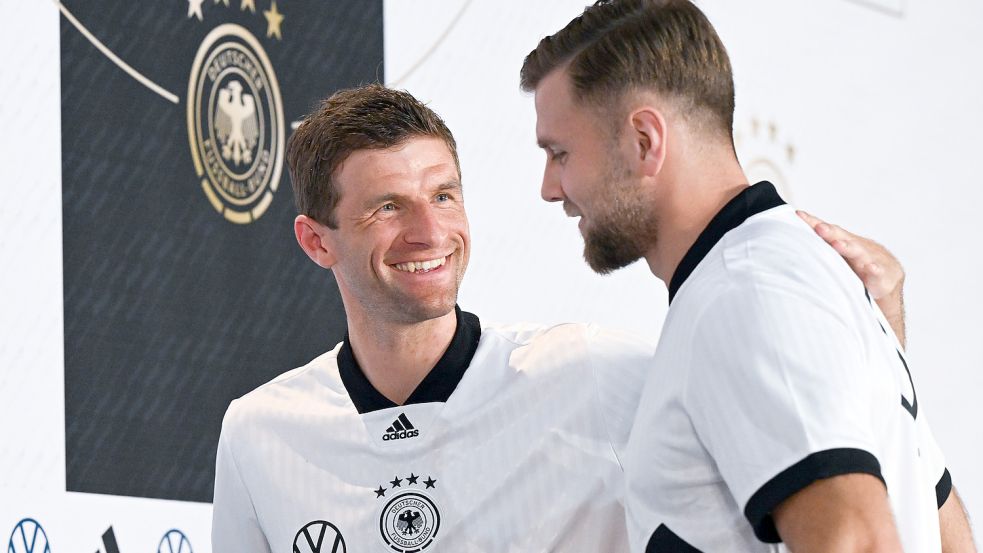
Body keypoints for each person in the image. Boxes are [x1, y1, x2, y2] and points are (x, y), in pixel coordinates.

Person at [211, 84, 909, 552]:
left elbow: (816, 457)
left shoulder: (594, 370)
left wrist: (878, 330)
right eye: (387, 206)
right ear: (316, 240)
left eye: (445, 195)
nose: (429, 231)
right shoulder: (259, 433)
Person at [520, 1, 976, 552]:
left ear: (644, 140)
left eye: (560, 153)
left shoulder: (743, 291)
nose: (550, 187)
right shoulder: (783, 277)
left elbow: (858, 541)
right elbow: (944, 539)